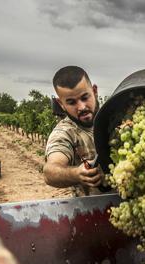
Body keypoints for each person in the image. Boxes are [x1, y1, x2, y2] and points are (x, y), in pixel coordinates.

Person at [44, 66, 105, 196]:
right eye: (71, 102)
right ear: (61, 104)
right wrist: (76, 174)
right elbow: (50, 172)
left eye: (84, 97)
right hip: (93, 210)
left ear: (94, 91)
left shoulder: (117, 116)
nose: (81, 107)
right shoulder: (65, 133)